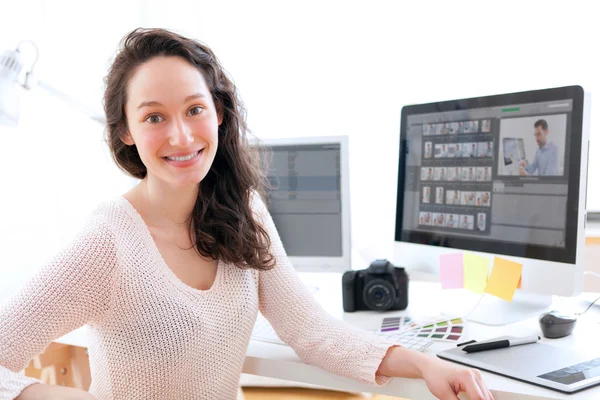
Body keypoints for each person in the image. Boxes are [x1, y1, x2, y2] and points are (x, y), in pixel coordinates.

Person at [0, 28, 491, 400]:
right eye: (154, 117)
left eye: (194, 109)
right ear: (125, 131)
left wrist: (424, 363)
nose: (181, 136)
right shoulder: (111, 238)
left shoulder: (241, 211)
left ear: (218, 112)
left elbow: (311, 331)